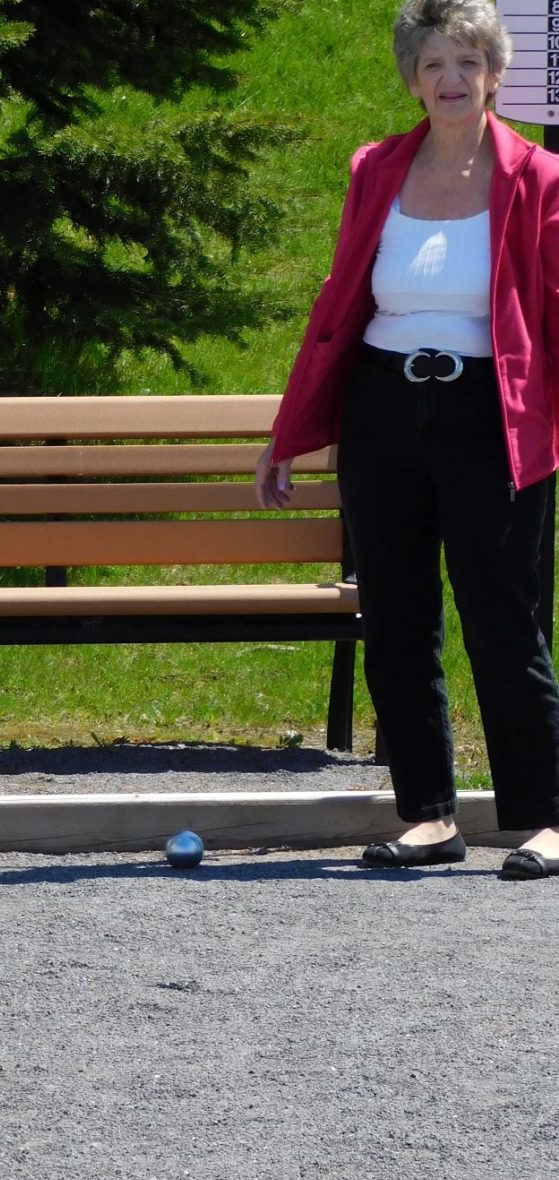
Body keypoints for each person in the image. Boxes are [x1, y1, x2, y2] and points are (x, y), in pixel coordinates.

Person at [254, 0, 559, 880]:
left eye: (467, 62)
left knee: (504, 620)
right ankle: (426, 815)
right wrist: (293, 430)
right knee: (394, 615)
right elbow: (339, 302)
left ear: (495, 74)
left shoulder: (537, 177)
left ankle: (542, 816)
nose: (451, 81)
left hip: (487, 414)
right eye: (432, 65)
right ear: (411, 79)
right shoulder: (374, 168)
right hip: (382, 411)